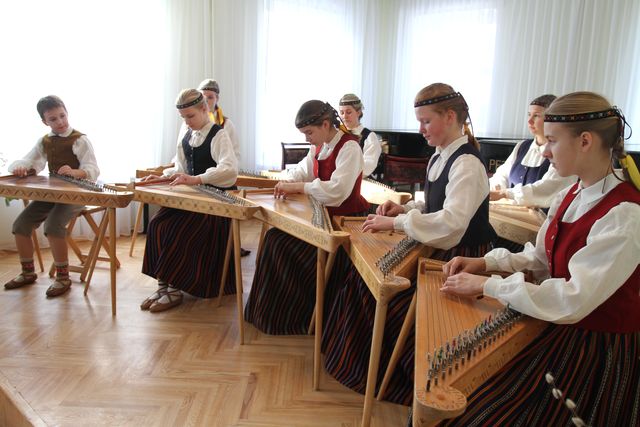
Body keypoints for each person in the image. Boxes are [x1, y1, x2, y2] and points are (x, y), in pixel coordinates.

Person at [439, 91, 640, 426]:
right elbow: (541, 257)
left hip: (595, 350)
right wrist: (487, 263)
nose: (545, 151)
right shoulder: (572, 193)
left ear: (585, 141)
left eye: (553, 140)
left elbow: (573, 298)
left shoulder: (624, 214)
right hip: (559, 328)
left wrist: (489, 286)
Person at [321, 83, 497, 405]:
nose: (420, 129)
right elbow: (434, 207)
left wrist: (397, 223)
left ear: (450, 117)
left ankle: (395, 380)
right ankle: (359, 367)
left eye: (426, 121)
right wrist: (404, 209)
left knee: (392, 302)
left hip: (460, 256)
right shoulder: (440, 156)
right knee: (360, 284)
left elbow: (452, 224)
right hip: (438, 246)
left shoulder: (467, 164)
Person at [244, 100, 369, 335]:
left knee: (280, 245)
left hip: (344, 225)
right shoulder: (319, 147)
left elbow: (337, 192)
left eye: (309, 132)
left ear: (325, 124)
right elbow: (302, 171)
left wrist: (300, 187)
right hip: (322, 218)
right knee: (273, 239)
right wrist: (288, 182)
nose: (307, 138)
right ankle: (267, 315)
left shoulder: (350, 147)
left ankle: (294, 318)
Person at [140, 89, 238, 313]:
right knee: (157, 224)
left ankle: (175, 289)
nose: (187, 121)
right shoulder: (187, 133)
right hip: (192, 198)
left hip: (216, 203)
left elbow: (230, 170)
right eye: (183, 117)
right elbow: (180, 168)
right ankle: (163, 286)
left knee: (177, 229)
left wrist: (197, 179)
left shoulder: (218, 134)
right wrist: (161, 177)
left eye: (190, 116)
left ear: (204, 109)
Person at [5, 95, 100, 297]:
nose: (60, 122)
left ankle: (63, 278)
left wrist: (75, 172)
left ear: (67, 113)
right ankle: (27, 272)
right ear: (44, 121)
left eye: (62, 116)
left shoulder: (80, 140)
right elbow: (31, 161)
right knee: (20, 225)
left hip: (77, 194)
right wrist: (23, 168)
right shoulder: (45, 141)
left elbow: (93, 169)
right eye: (53, 119)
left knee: (53, 225)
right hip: (52, 193)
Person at [490, 94, 575, 207]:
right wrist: (498, 187)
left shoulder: (562, 151)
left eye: (536, 116)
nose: (530, 121)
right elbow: (502, 174)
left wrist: (506, 194)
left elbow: (548, 188)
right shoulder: (522, 146)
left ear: (551, 119)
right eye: (529, 115)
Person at [338, 93, 381, 178]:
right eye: (342, 112)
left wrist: (346, 175)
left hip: (360, 180)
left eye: (348, 112)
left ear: (358, 112)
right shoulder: (338, 134)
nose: (344, 116)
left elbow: (368, 165)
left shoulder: (369, 137)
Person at [198, 79, 241, 163]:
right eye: (203, 97)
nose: (206, 101)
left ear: (217, 98)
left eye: (210, 97)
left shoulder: (226, 124)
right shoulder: (190, 122)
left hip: (219, 170)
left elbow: (235, 154)